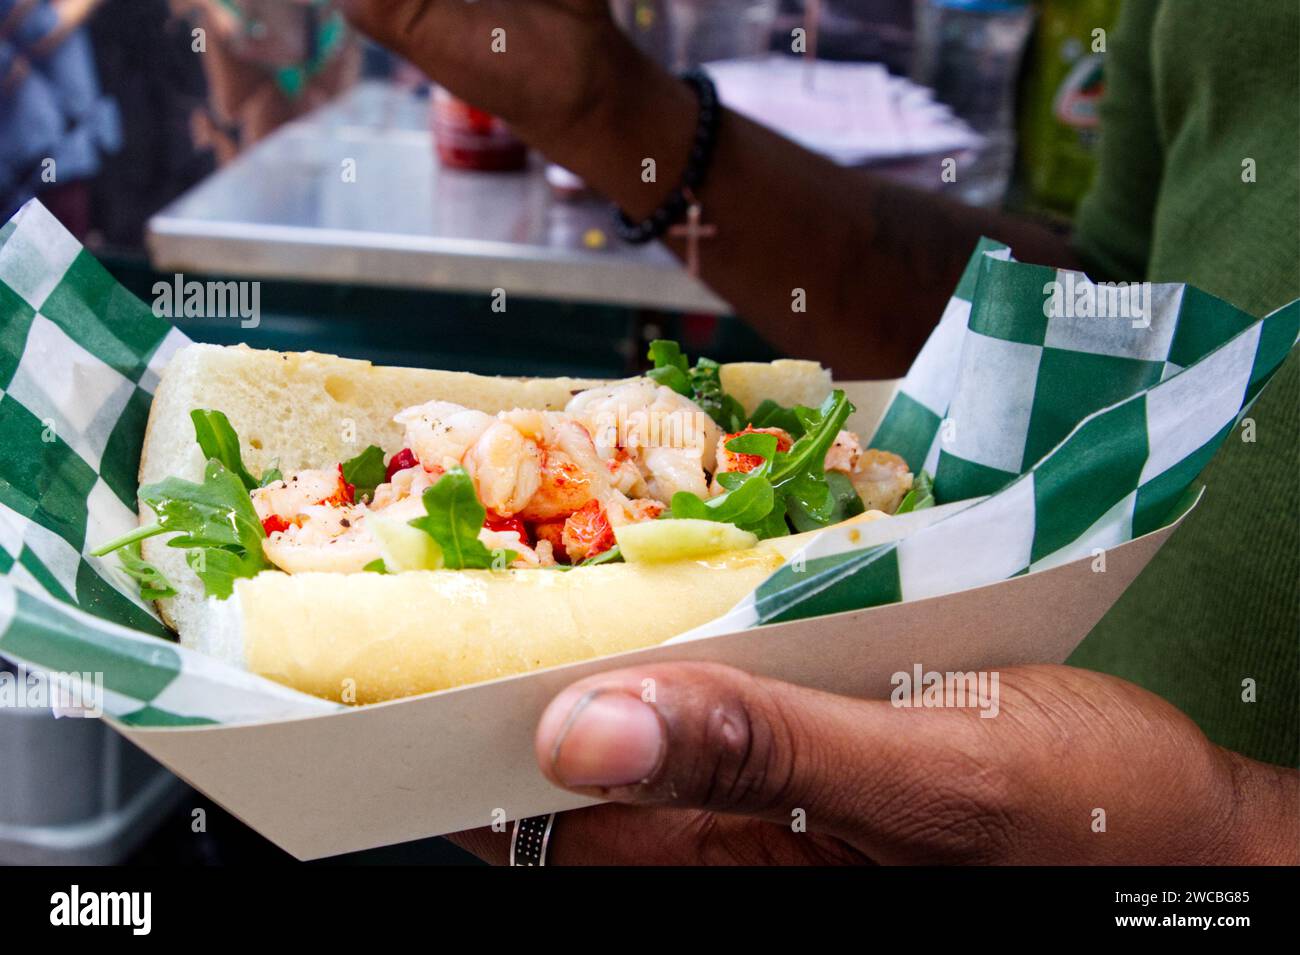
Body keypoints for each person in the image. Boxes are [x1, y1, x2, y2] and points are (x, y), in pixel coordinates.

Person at [339, 0, 1299, 864]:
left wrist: (1223, 846)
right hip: (1007, 727)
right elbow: (1110, 318)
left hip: (1093, 792)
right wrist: (611, 111)